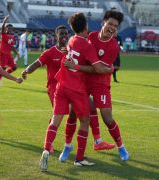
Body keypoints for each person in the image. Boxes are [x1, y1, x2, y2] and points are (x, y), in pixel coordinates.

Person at [38, 12, 113, 171]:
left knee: (55, 121)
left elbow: (69, 53)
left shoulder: (71, 40)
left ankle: (46, 149)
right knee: (85, 121)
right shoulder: (87, 45)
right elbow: (98, 68)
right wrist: (110, 68)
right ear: (86, 27)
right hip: (76, 88)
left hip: (61, 86)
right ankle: (79, 159)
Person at [22, 25, 114, 155]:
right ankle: (49, 145)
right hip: (55, 87)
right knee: (57, 116)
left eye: (66, 34)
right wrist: (26, 70)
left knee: (91, 106)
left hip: (72, 85)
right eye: (61, 34)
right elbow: (37, 63)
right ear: (56, 36)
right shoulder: (50, 53)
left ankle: (97, 141)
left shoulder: (71, 49)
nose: (64, 36)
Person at [63, 10, 129, 162]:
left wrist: (77, 67)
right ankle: (67, 146)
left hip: (101, 83)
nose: (112, 28)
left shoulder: (113, 47)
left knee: (107, 118)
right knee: (73, 113)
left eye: (115, 26)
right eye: (110, 24)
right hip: (83, 82)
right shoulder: (90, 37)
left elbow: (98, 70)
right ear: (103, 23)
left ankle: (121, 146)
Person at [0, 15, 19, 87]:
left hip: (8, 54)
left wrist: (17, 53)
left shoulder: (12, 37)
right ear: (6, 29)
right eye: (9, 28)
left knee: (14, 67)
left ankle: (4, 75)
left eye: (11, 28)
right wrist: (4, 20)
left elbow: (11, 47)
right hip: (3, 53)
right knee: (3, 68)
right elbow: (2, 28)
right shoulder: (4, 34)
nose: (10, 29)